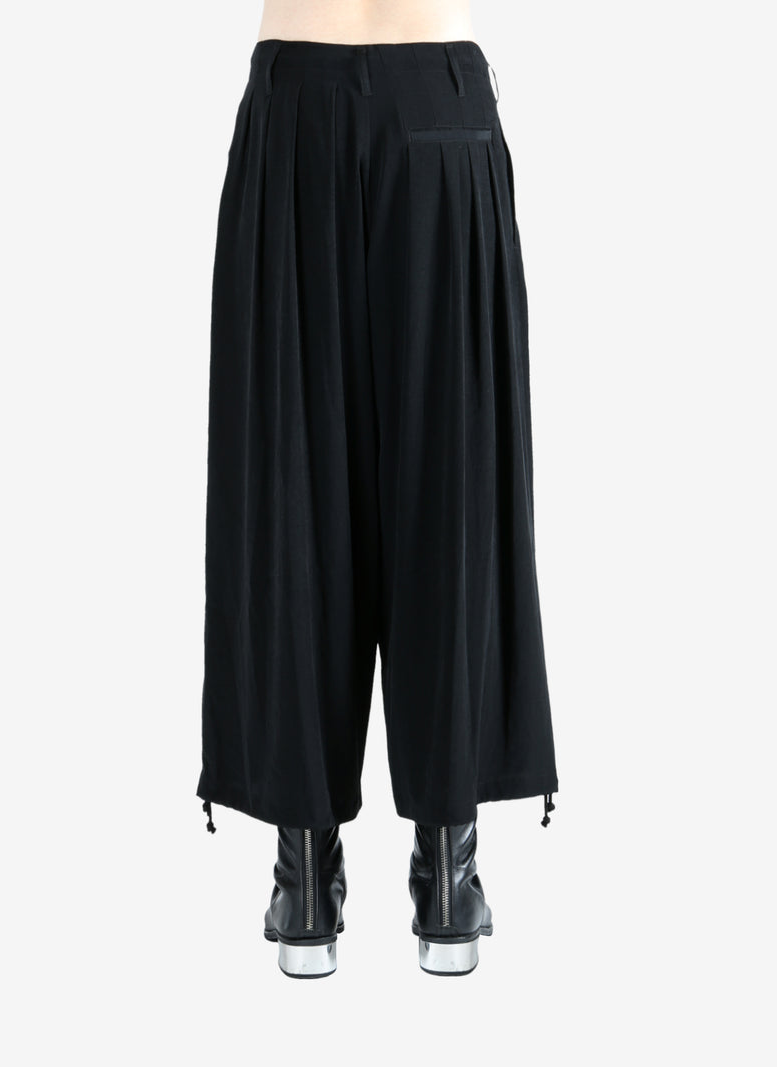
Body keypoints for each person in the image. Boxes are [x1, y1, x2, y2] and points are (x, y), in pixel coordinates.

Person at [196, 0, 559, 978]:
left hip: (296, 108)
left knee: (290, 474)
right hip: (437, 105)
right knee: (453, 485)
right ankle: (448, 877)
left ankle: (304, 880)